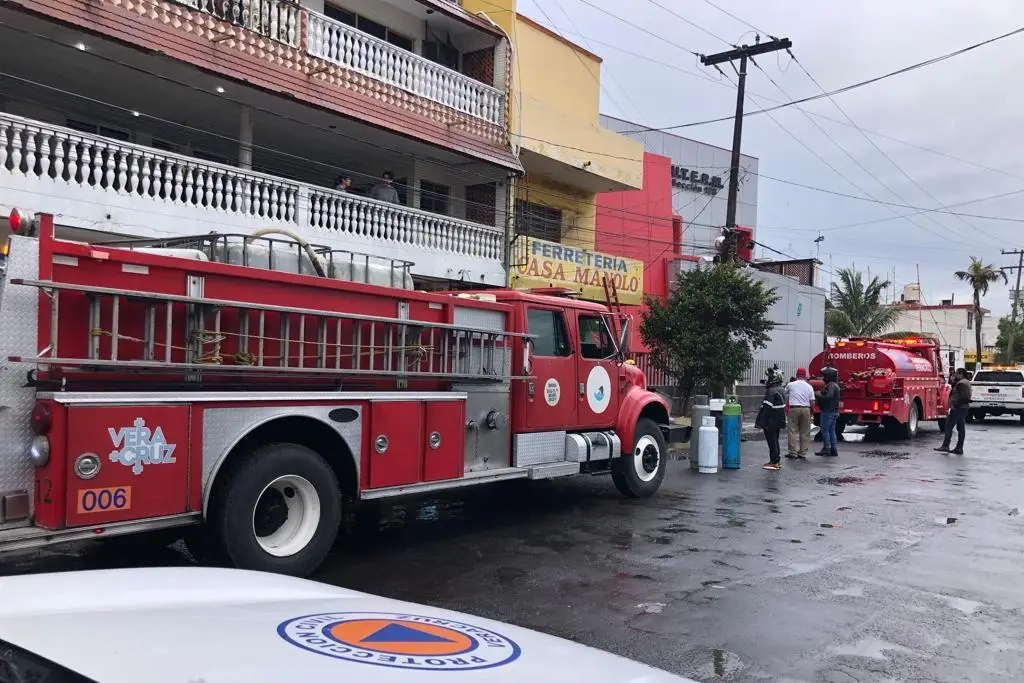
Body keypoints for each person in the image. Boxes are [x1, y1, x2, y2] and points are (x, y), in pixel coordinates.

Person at [755, 367, 787, 470]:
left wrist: (761, 422)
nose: (768, 380)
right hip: (779, 418)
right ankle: (776, 460)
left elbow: (766, 408)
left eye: (769, 378)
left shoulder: (771, 391)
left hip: (771, 419)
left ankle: (774, 461)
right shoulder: (781, 389)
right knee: (775, 440)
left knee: (772, 440)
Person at [936, 367, 971, 455]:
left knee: (949, 426)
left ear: (961, 374)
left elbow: (963, 397)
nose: (955, 374)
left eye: (956, 373)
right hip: (963, 408)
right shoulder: (964, 382)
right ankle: (959, 448)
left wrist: (955, 405)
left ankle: (945, 445)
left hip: (958, 408)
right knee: (961, 427)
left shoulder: (962, 384)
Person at [785, 367, 814, 460]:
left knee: (792, 430)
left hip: (794, 409)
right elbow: (812, 401)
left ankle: (793, 452)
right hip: (806, 409)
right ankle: (802, 453)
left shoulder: (791, 385)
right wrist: (811, 412)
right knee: (805, 432)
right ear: (805, 376)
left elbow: (785, 394)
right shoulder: (809, 387)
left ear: (797, 375)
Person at [815, 366, 841, 457]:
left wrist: (818, 394)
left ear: (828, 376)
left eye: (824, 376)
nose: (822, 378)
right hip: (833, 411)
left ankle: (827, 448)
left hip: (828, 411)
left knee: (825, 430)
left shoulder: (831, 386)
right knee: (831, 430)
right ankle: (833, 449)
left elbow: (829, 396)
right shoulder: (835, 385)